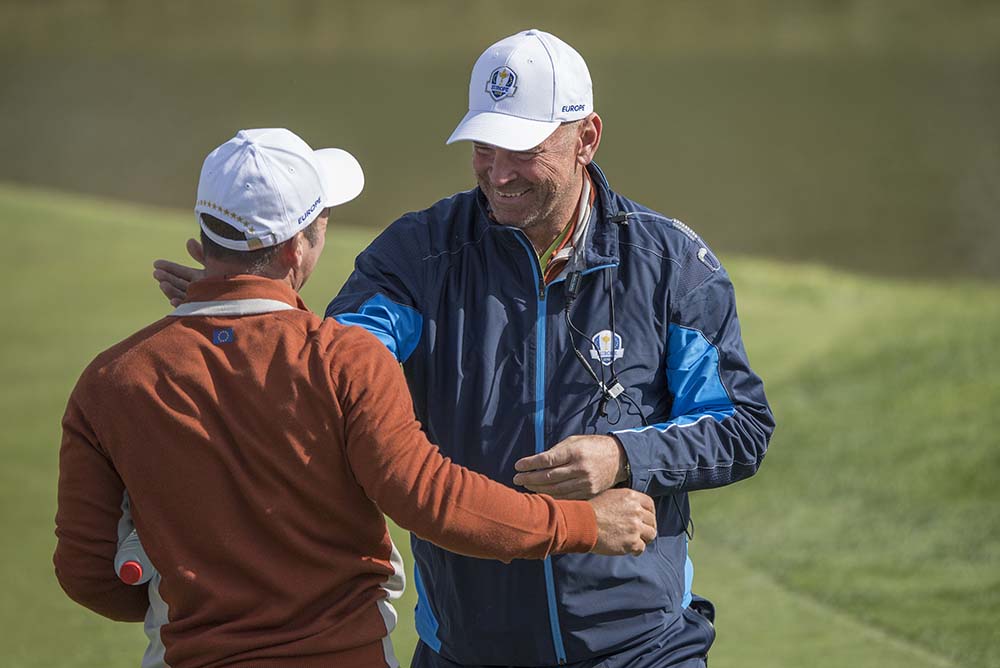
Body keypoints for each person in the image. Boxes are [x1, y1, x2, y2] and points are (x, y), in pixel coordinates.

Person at [155, 28, 775, 668]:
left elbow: (742, 428)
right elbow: (335, 365)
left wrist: (623, 454)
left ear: (586, 138)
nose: (498, 172)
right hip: (466, 648)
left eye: (522, 149)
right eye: (484, 146)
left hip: (641, 648)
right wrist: (250, 307)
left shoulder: (670, 264)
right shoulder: (418, 254)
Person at [55, 128, 659, 668]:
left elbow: (85, 574)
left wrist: (196, 602)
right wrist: (581, 523)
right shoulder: (345, 360)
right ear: (297, 250)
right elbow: (433, 501)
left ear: (204, 238)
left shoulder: (111, 380)